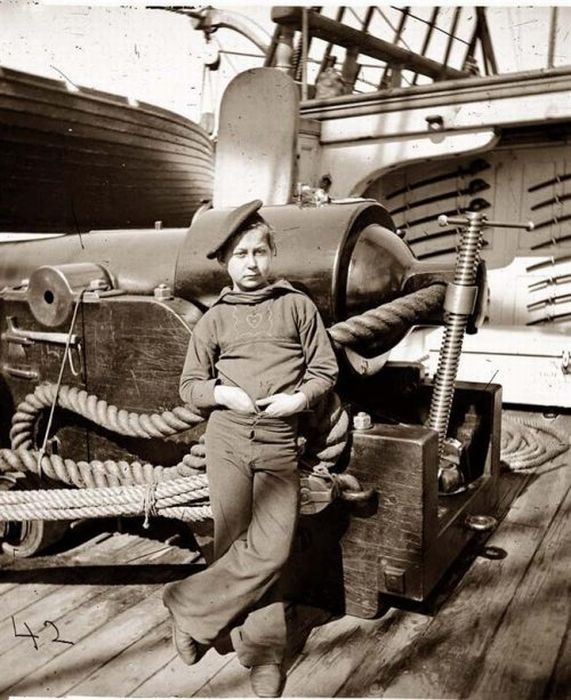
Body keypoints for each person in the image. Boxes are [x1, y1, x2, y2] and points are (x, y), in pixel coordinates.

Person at [163, 199, 338, 698]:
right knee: (232, 543)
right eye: (240, 255)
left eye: (260, 252)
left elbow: (325, 369)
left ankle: (189, 608)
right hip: (228, 440)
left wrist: (299, 399)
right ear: (225, 262)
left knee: (271, 550)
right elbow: (190, 386)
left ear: (272, 254)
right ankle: (262, 653)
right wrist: (223, 395)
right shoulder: (214, 319)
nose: (251, 264)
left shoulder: (297, 306)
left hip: (280, 440)